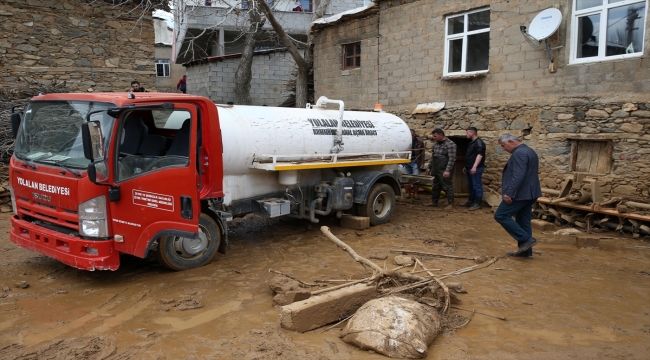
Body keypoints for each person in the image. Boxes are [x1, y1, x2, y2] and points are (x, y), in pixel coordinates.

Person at [493, 133, 542, 258]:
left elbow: (518, 175)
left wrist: (510, 192)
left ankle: (526, 239)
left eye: (503, 146)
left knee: (501, 215)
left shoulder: (519, 153)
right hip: (530, 193)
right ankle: (525, 252)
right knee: (523, 221)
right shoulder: (529, 151)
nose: (503, 149)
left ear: (511, 142)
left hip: (520, 194)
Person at [425, 128, 457, 209]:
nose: (434, 138)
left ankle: (451, 204)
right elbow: (433, 157)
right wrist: (429, 167)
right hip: (436, 168)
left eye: (435, 136)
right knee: (435, 186)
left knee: (447, 186)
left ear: (441, 135)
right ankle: (434, 202)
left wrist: (447, 170)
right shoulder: (436, 144)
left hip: (444, 168)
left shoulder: (450, 144)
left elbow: (452, 158)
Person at [461, 127, 486, 211]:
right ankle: (471, 201)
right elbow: (470, 156)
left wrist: (474, 166)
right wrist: (466, 166)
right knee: (471, 185)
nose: (466, 134)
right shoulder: (471, 143)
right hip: (469, 167)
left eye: (467, 133)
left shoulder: (479, 143)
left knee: (476, 185)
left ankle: (478, 203)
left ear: (472, 133)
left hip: (476, 168)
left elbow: (480, 155)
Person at [403, 129, 425, 199]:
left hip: (415, 161)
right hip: (405, 161)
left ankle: (415, 193)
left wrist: (422, 162)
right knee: (406, 178)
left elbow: (422, 153)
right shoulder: (404, 141)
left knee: (416, 178)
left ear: (414, 134)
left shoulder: (419, 142)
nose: (411, 136)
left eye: (412, 135)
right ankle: (408, 193)